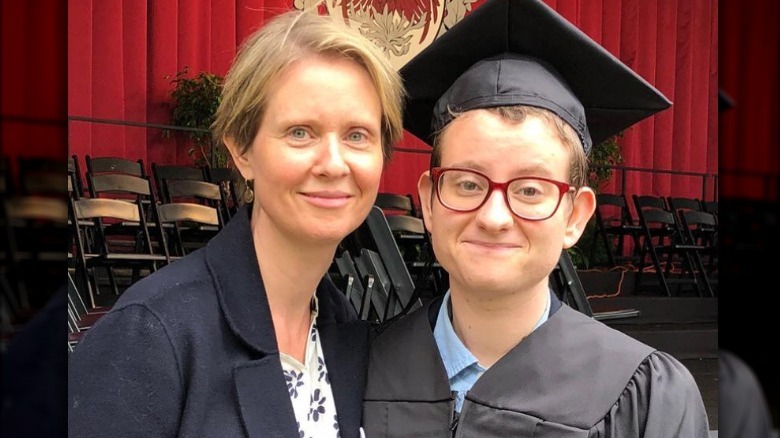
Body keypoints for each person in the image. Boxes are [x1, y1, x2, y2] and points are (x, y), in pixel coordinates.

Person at [362, 0, 710, 436]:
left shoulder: (647, 396)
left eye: (529, 190)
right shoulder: (359, 369)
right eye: (468, 183)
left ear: (575, 217)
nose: (493, 216)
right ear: (430, 202)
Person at [68, 10, 404, 438]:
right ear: (242, 151)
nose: (334, 164)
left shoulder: (345, 329)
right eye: (300, 132)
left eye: (357, 135)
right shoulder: (150, 335)